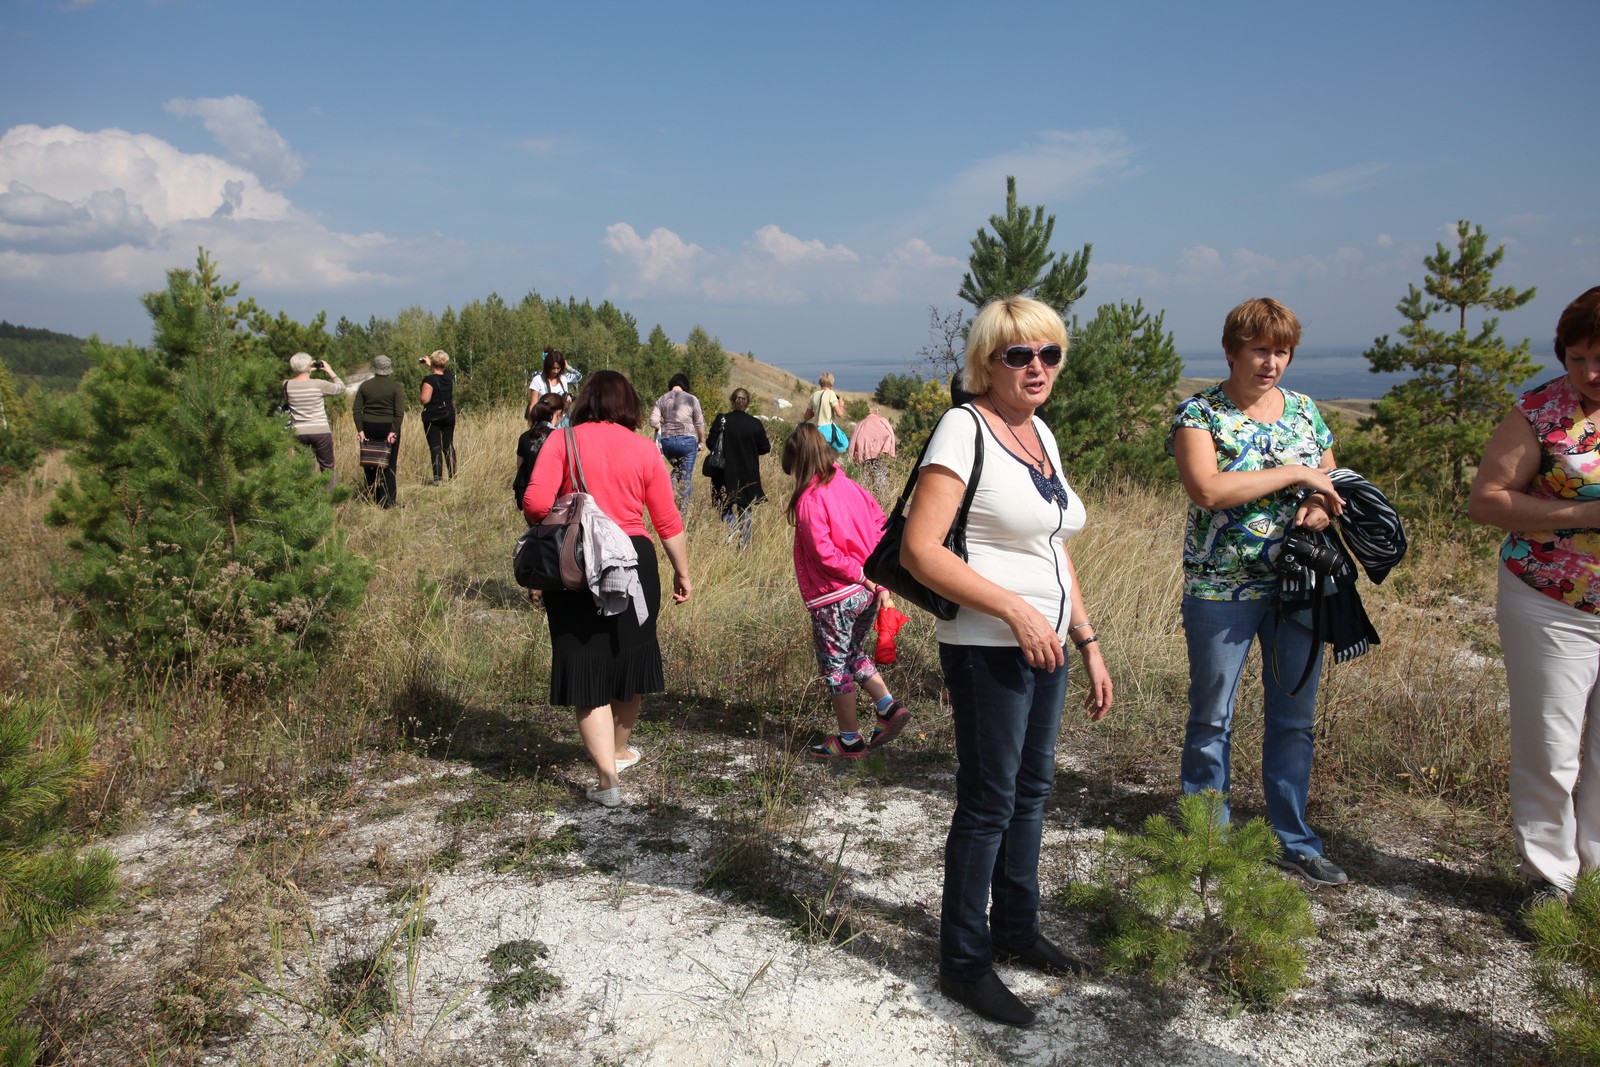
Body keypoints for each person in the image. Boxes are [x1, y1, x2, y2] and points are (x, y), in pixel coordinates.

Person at [901, 296, 1113, 1028]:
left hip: (1048, 645)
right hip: (988, 646)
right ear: (986, 362)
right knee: (989, 801)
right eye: (1018, 354)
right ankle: (963, 962)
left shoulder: (1040, 433)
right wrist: (1014, 610)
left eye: (1049, 353)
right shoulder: (965, 428)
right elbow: (919, 549)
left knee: (1032, 789)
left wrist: (1086, 639)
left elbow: (1052, 544)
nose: (1035, 367)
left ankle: (1017, 928)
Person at [1167, 297, 1348, 889]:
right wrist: (1297, 476)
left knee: (1294, 718)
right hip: (1223, 587)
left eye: (1282, 351)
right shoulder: (1200, 414)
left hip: (1298, 586)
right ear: (1232, 351)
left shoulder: (1303, 411)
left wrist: (1320, 507)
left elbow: (1331, 479)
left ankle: (1291, 838)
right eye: (1259, 350)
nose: (1271, 362)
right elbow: (1209, 491)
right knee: (1212, 716)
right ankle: (1208, 839)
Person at [1468, 285, 1600, 898]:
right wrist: (1583, 517)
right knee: (1551, 745)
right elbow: (1486, 500)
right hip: (1551, 601)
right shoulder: (1540, 411)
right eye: (1577, 358)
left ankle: (1595, 877)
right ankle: (1548, 878)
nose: (1590, 372)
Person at [523, 371, 692, 808]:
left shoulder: (562, 440)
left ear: (585, 402)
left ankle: (608, 782)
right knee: (629, 659)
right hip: (635, 562)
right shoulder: (644, 448)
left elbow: (536, 504)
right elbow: (668, 521)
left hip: (577, 563)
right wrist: (682, 572)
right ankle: (617, 749)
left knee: (584, 665)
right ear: (629, 405)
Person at [782, 423, 912, 758]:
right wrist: (878, 581)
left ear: (799, 461)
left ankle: (849, 739)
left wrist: (859, 575)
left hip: (836, 593)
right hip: (867, 591)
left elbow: (824, 553)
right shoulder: (853, 487)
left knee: (835, 665)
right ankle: (886, 706)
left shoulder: (810, 499)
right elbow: (880, 527)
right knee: (853, 652)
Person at [705, 387, 771, 544]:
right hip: (748, 472)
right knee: (745, 507)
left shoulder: (722, 419)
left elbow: (710, 443)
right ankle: (744, 544)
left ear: (732, 402)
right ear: (747, 403)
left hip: (723, 472)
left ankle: (733, 527)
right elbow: (765, 448)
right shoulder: (755, 424)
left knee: (722, 504)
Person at [282, 352, 345, 485]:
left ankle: (307, 498)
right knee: (327, 467)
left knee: (305, 467)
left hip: (299, 431)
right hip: (320, 430)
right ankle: (330, 499)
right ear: (310, 366)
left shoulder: (286, 385)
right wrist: (329, 370)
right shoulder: (319, 384)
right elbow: (341, 388)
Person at [353, 355, 406, 508]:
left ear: (374, 369)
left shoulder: (364, 386)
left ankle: (373, 496)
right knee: (389, 463)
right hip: (388, 426)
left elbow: (356, 410)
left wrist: (360, 429)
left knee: (370, 461)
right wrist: (394, 431)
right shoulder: (395, 387)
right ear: (388, 370)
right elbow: (399, 412)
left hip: (368, 426)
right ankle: (389, 501)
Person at [650, 373, 706, 513]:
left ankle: (667, 502)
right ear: (685, 386)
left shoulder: (662, 399)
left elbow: (653, 421)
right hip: (687, 441)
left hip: (667, 442)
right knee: (686, 477)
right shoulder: (692, 399)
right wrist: (701, 441)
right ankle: (683, 512)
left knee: (676, 470)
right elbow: (699, 423)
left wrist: (663, 425)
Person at [513, 394, 564, 511]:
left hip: (527, 499)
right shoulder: (559, 436)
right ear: (559, 413)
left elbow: (520, 468)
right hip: (552, 500)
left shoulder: (524, 437)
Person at [419, 350, 457, 483]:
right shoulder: (448, 377)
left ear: (433, 362)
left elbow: (424, 399)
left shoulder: (429, 380)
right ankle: (453, 476)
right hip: (449, 414)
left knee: (435, 447)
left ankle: (438, 479)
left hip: (434, 417)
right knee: (448, 446)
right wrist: (432, 365)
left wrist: (431, 366)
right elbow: (441, 372)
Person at [847, 408, 897, 494]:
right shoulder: (883, 421)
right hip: (879, 453)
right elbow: (890, 434)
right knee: (880, 475)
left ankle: (861, 496)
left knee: (864, 477)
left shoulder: (861, 423)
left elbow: (853, 441)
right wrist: (890, 450)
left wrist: (852, 457)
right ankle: (882, 497)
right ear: (877, 412)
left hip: (863, 454)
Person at [804, 372, 847, 451]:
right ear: (831, 384)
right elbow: (839, 414)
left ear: (820, 383)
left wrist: (818, 409)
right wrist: (841, 405)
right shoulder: (831, 394)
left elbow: (806, 416)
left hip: (817, 431)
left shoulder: (814, 395)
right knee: (843, 444)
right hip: (828, 431)